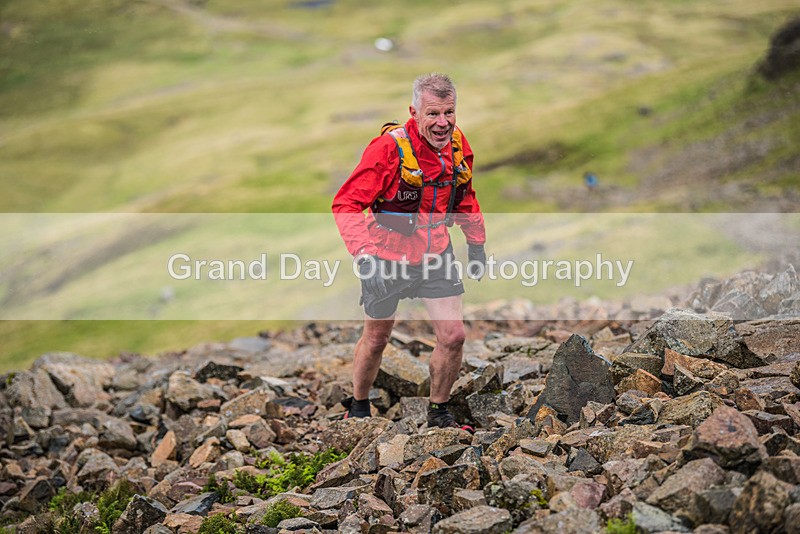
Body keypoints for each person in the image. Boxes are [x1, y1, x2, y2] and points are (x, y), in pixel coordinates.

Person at [332, 73, 487, 432]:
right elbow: (347, 203)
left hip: (437, 252)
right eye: (433, 113)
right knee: (377, 338)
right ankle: (358, 404)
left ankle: (439, 413)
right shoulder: (388, 149)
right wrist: (365, 257)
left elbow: (465, 196)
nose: (443, 123)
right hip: (387, 255)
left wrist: (476, 242)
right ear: (414, 111)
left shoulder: (459, 144)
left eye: (449, 112)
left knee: (454, 336)